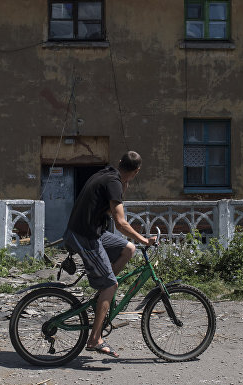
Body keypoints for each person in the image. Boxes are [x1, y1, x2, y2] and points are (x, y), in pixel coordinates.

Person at [63, 151, 156, 358]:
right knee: (111, 285)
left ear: (120, 162)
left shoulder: (108, 174)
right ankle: (94, 339)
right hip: (83, 236)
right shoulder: (113, 182)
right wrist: (143, 240)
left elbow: (106, 209)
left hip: (92, 232)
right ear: (137, 171)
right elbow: (120, 223)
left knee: (128, 249)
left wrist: (124, 185)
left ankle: (102, 294)